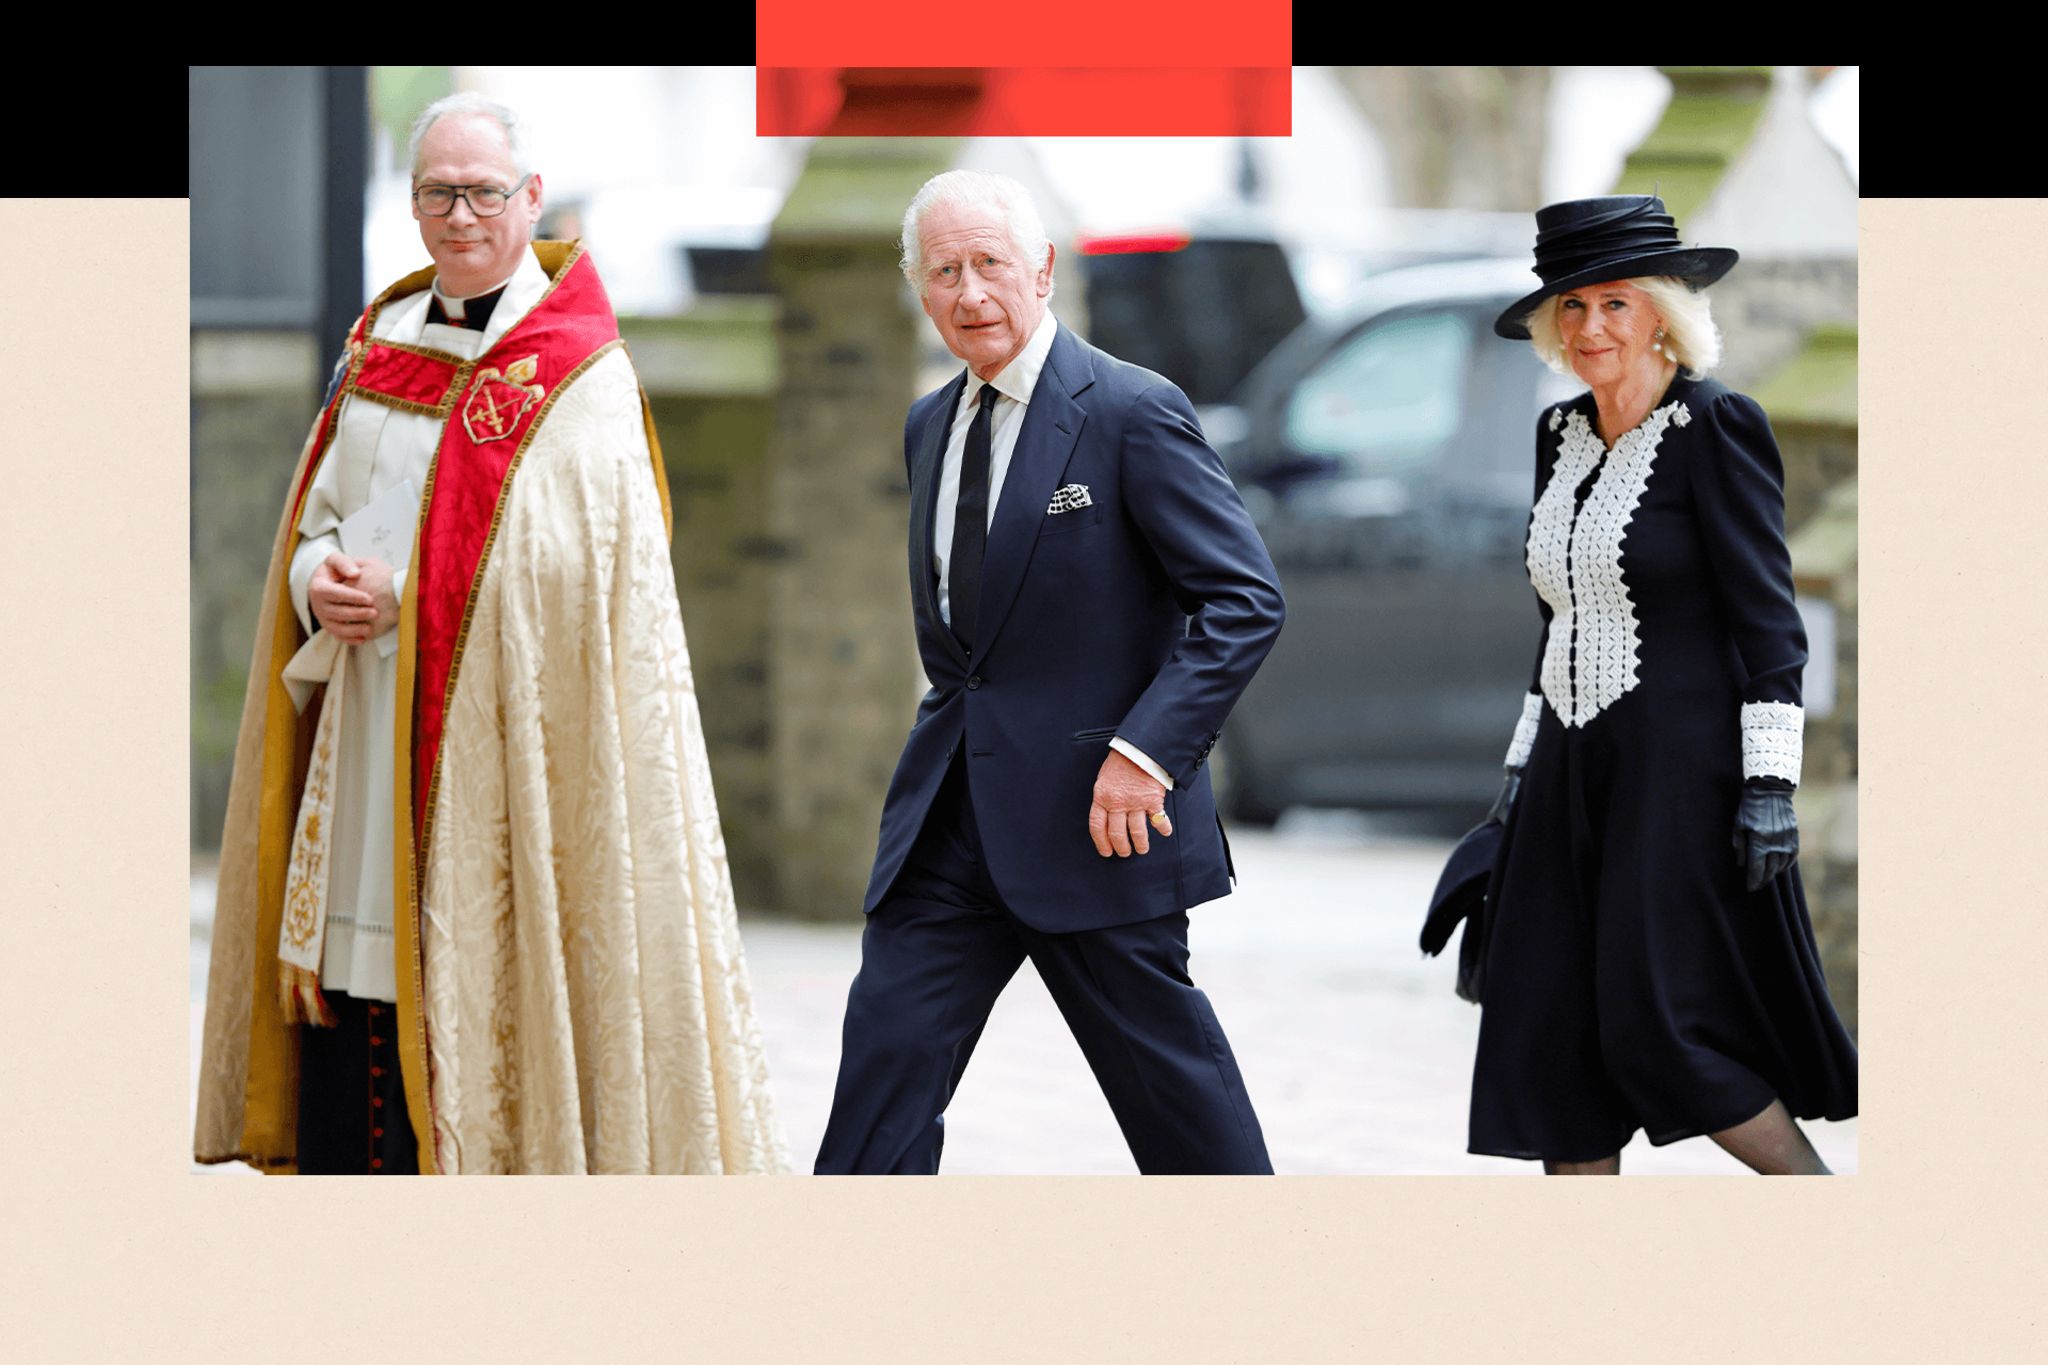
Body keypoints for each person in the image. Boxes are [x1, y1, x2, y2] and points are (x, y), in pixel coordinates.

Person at [194, 94, 786, 1175]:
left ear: (530, 199)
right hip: (367, 736)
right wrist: (319, 578)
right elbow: (320, 517)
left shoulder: (578, 377)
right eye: (436, 193)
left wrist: (413, 592)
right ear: (413, 205)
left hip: (507, 771)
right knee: (351, 998)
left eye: (481, 192)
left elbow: (586, 579)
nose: (459, 216)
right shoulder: (380, 343)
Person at [813, 170, 1285, 1174]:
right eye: (944, 271)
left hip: (1098, 824)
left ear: (1041, 270)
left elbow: (1243, 600)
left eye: (989, 264)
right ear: (917, 285)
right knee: (880, 1080)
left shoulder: (1129, 411)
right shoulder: (928, 426)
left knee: (1178, 1111)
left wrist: (1146, 753)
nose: (970, 293)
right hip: (947, 827)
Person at [1468, 195, 1858, 1174]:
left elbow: (1769, 622)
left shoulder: (1717, 426)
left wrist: (1768, 786)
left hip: (1675, 777)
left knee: (1665, 1028)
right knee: (1550, 1037)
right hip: (1563, 770)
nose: (1589, 327)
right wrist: (1515, 779)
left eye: (1612, 304)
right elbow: (1555, 616)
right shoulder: (1557, 434)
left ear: (1658, 313)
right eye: (1570, 308)